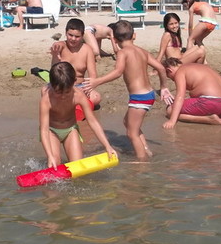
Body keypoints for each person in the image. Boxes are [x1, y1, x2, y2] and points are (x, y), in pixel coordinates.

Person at [84, 20, 172, 161]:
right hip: (148, 95)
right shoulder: (142, 51)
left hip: (139, 98)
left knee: (131, 133)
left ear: (115, 40)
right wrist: (164, 87)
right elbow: (161, 68)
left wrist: (97, 81)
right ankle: (147, 150)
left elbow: (118, 72)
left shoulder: (122, 53)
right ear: (134, 36)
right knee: (128, 123)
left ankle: (141, 163)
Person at [39, 61, 117, 169]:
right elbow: (43, 129)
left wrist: (107, 146)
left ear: (74, 83)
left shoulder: (78, 95)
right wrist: (50, 155)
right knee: (54, 165)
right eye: (58, 92)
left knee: (77, 166)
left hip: (70, 130)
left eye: (67, 92)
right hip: (52, 131)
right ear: (51, 85)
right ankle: (53, 158)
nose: (62, 96)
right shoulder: (46, 98)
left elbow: (92, 121)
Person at [161, 58, 221, 128]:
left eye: (171, 78)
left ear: (169, 70)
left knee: (170, 110)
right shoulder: (199, 66)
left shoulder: (179, 72)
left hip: (212, 102)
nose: (173, 80)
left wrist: (172, 121)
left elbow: (180, 96)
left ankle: (208, 119)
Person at [49, 18, 101, 109]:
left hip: (80, 86)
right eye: (70, 35)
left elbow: (93, 76)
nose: (73, 39)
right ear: (65, 33)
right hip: (62, 87)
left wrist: (85, 88)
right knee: (46, 91)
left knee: (96, 97)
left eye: (77, 37)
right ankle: (78, 105)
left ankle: (73, 105)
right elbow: (54, 72)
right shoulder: (61, 46)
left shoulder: (87, 49)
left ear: (82, 36)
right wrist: (55, 54)